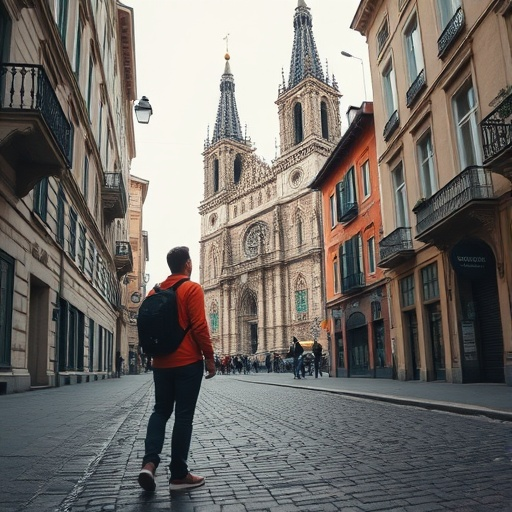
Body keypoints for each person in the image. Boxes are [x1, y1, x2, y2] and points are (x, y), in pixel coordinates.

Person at [138, 246, 216, 493]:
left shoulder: (153, 291)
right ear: (188, 264)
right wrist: (210, 359)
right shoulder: (192, 289)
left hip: (160, 364)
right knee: (183, 416)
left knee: (160, 411)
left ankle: (149, 464)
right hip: (187, 363)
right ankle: (179, 475)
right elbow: (200, 327)